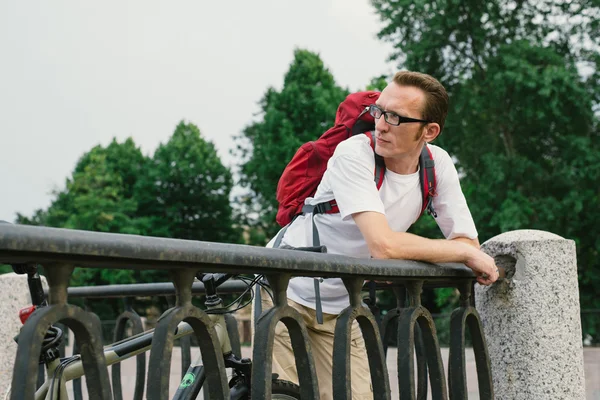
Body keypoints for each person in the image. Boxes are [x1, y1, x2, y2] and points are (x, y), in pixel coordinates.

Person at [261, 71, 499, 400]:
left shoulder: (437, 166)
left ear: (429, 131)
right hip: (282, 293)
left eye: (396, 117)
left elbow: (466, 241)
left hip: (342, 308)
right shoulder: (353, 154)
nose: (382, 124)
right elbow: (383, 245)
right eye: (379, 111)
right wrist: (465, 255)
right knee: (281, 396)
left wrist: (466, 251)